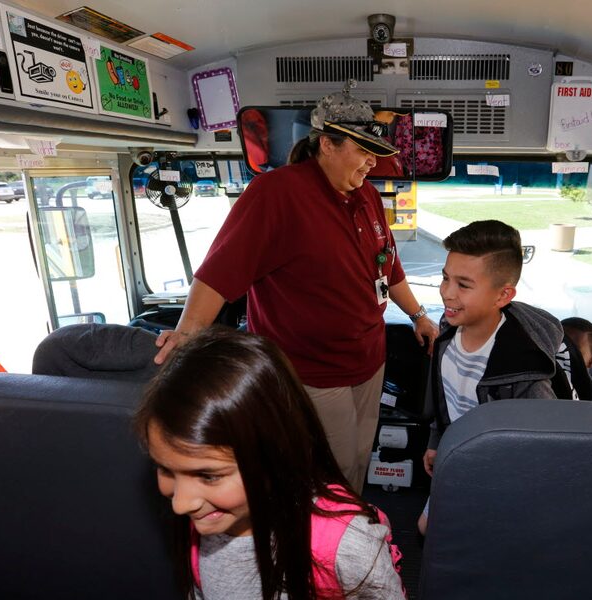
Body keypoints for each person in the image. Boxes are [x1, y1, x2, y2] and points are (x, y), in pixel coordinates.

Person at [154, 80, 438, 492]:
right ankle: (328, 546)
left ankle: (349, 532)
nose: (370, 163)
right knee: (329, 474)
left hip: (368, 360)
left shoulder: (367, 197)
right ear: (327, 145)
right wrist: (186, 336)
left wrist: (418, 316)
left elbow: (388, 268)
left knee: (359, 456)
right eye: (362, 150)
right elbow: (218, 273)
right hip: (311, 371)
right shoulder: (276, 194)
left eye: (374, 153)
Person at [136, 328, 405, 600]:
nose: (180, 504)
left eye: (208, 476)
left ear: (275, 454)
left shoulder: (348, 545)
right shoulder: (205, 517)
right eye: (166, 469)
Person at [418, 220, 568, 534]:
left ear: (502, 296)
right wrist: (437, 443)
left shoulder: (525, 370)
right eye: (445, 278)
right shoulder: (446, 335)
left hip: (502, 477)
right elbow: (444, 404)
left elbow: (545, 451)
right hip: (458, 458)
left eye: (463, 285)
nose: (447, 292)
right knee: (425, 528)